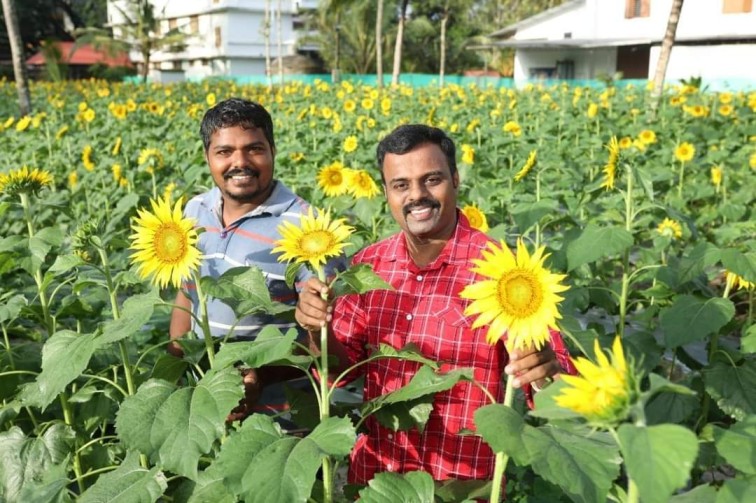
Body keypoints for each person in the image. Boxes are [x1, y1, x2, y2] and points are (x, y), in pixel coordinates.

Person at [295, 124, 576, 484]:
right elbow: (339, 372)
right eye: (401, 185)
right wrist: (316, 329)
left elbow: (557, 385)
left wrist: (543, 375)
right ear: (386, 193)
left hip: (462, 483)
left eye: (432, 180)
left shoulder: (504, 271)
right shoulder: (368, 267)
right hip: (377, 481)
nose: (417, 195)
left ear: (456, 179)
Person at [169, 97, 339, 422]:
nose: (240, 162)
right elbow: (185, 295)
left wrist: (261, 376)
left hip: (282, 422)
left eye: (254, 149)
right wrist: (175, 372)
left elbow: (325, 339)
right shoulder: (192, 212)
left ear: (273, 151)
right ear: (207, 157)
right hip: (203, 408)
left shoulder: (307, 227)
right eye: (224, 151)